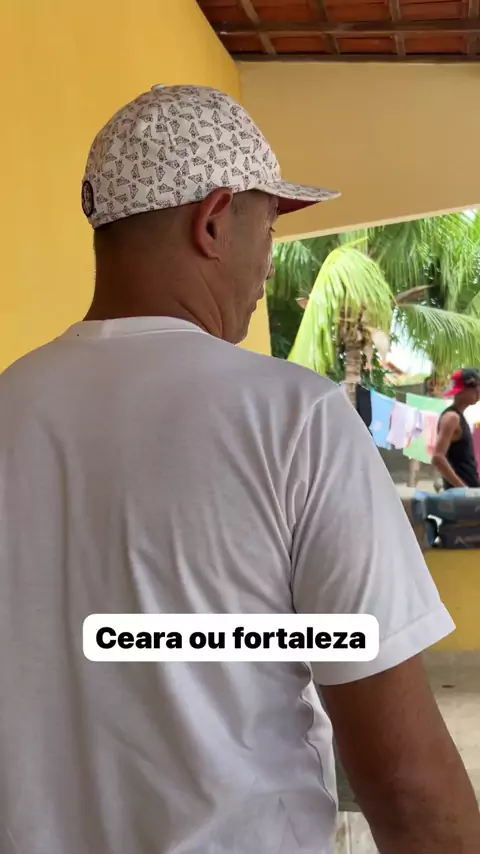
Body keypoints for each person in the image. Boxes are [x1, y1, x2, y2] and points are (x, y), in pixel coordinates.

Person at [0, 85, 479, 854]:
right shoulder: (294, 420)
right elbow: (407, 784)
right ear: (215, 220)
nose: (270, 261)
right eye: (271, 224)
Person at [433, 368, 480, 490]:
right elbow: (438, 458)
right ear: (463, 389)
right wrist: (463, 490)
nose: (478, 392)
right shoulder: (452, 418)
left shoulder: (458, 417)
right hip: (461, 497)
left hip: (468, 493)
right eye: (475, 387)